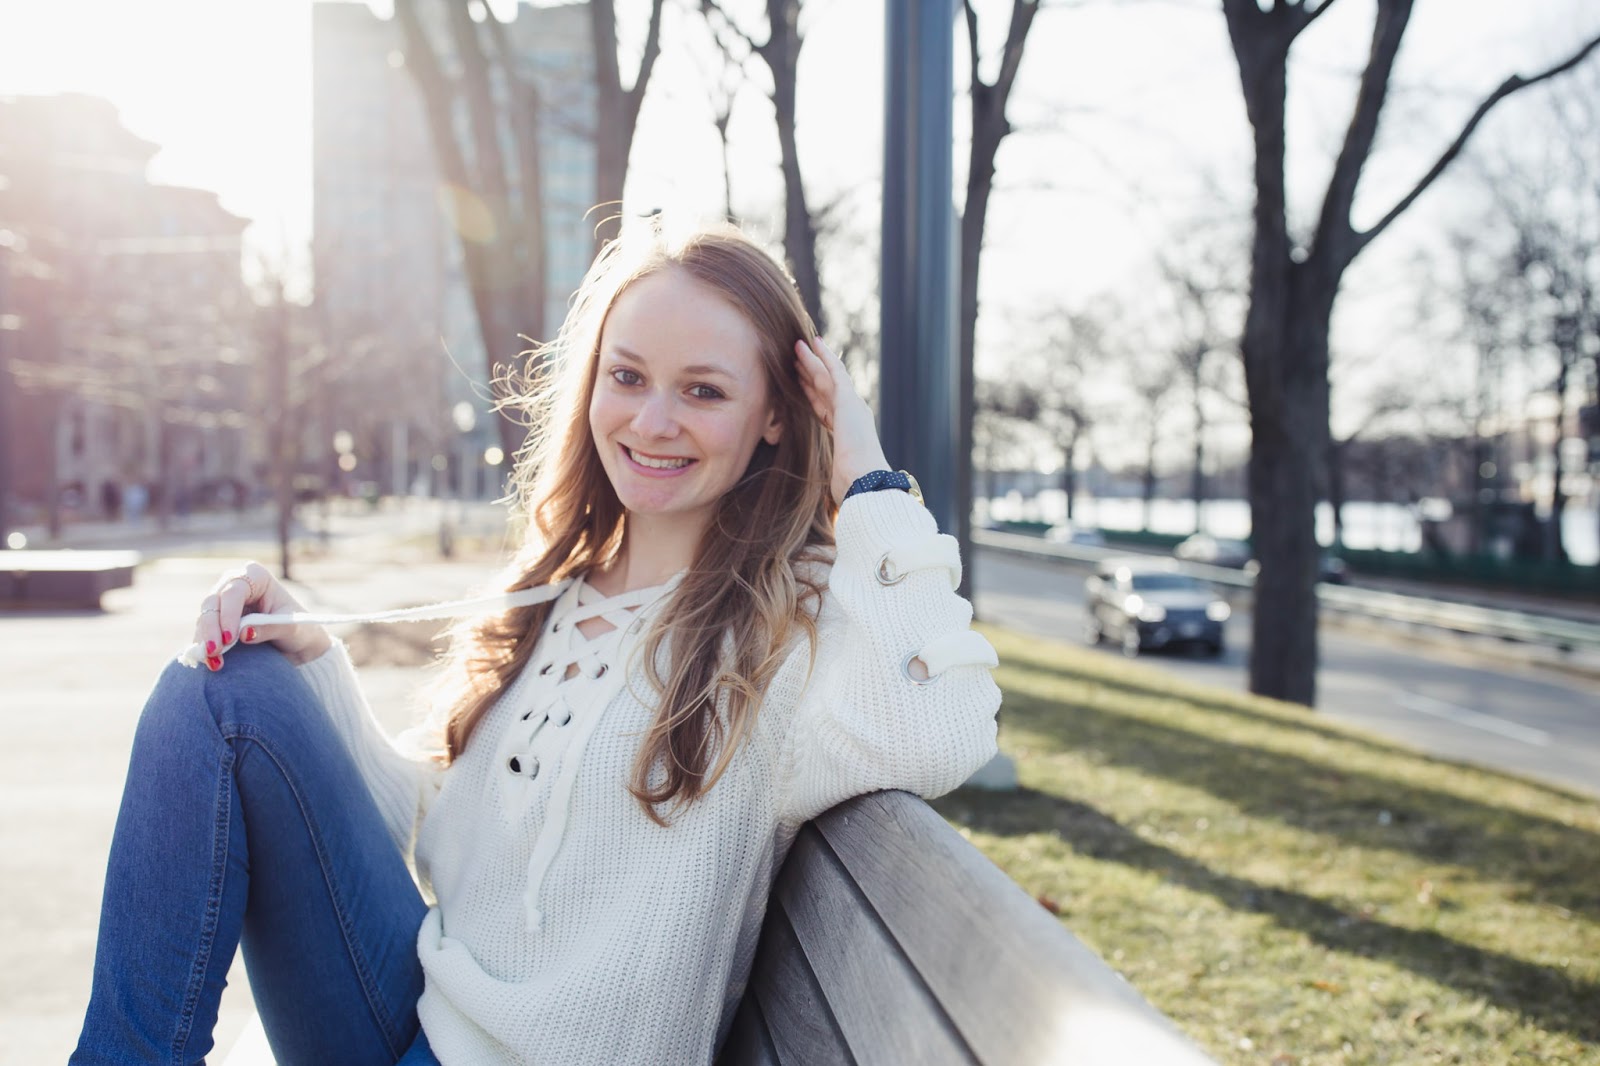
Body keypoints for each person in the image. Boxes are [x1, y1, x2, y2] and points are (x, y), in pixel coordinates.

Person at [71, 224, 1001, 1066]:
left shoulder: (787, 632)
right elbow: (446, 834)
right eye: (627, 376)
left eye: (703, 390)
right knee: (221, 687)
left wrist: (865, 475)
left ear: (777, 414)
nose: (652, 421)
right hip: (417, 1013)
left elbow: (943, 730)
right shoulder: (560, 593)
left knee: (225, 691)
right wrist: (315, 669)